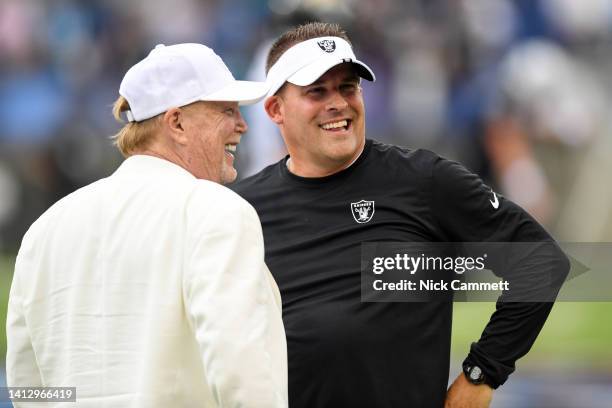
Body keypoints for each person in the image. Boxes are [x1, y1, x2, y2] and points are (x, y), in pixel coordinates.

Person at [232, 23, 569, 408]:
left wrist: (482, 373)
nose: (338, 103)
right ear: (276, 109)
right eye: (317, 91)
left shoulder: (422, 181)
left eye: (347, 87)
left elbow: (540, 261)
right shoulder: (242, 209)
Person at [6, 43, 288, 408]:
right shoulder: (215, 210)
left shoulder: (45, 229)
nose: (243, 125)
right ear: (177, 123)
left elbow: (27, 386)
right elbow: (242, 371)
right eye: (227, 110)